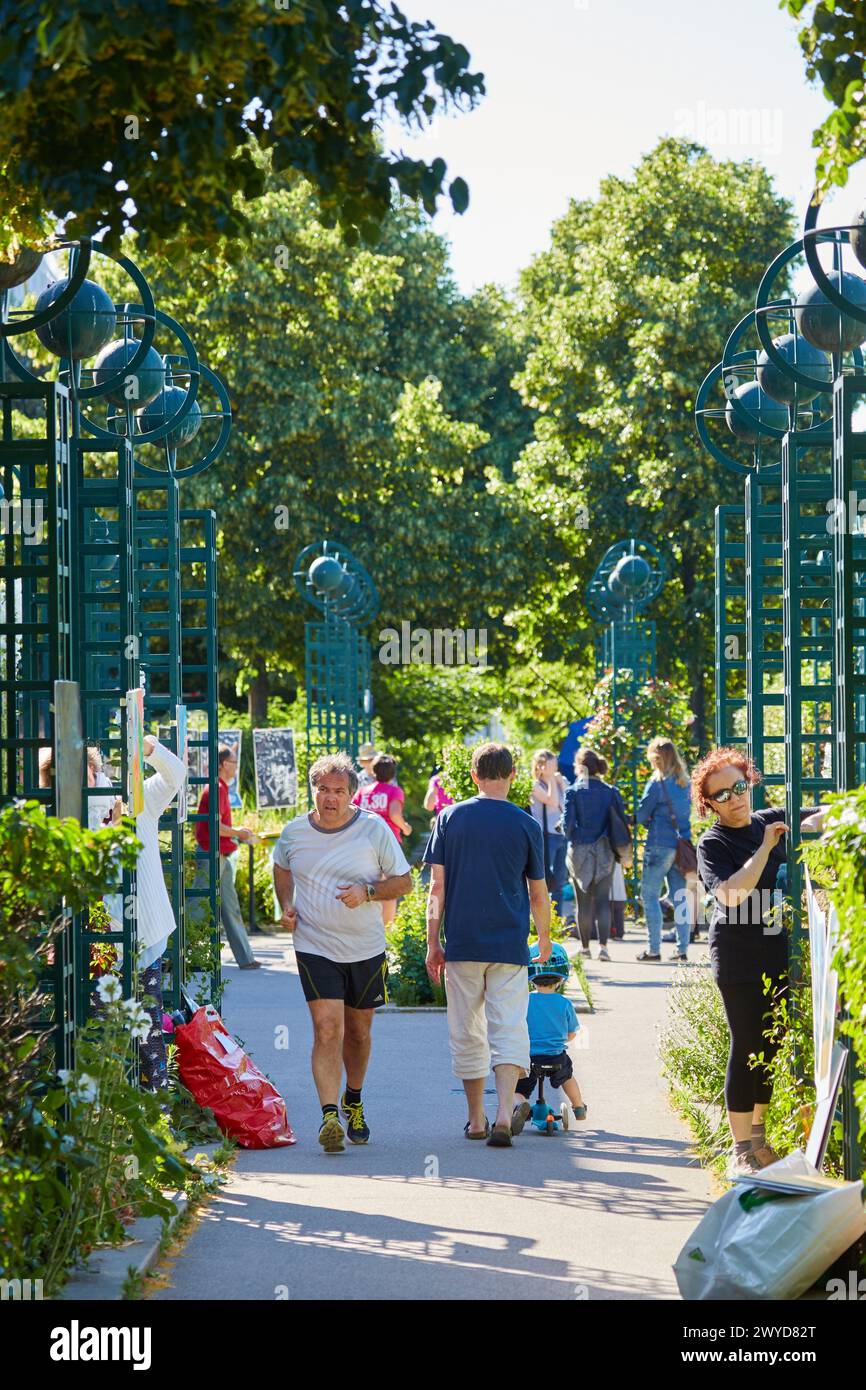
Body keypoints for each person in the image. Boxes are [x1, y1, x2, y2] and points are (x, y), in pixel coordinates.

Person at [694, 746, 826, 1178]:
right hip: (737, 952)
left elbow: (821, 817)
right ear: (709, 803)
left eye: (739, 786)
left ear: (749, 781)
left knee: (770, 1045)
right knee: (747, 1042)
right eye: (723, 794)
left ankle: (759, 1139)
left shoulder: (771, 818)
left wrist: (833, 819)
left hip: (775, 948)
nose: (735, 798)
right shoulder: (713, 842)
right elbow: (731, 894)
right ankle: (739, 1147)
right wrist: (768, 847)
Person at [273, 752, 412, 1153]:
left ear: (353, 794)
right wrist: (286, 905)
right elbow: (281, 866)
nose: (329, 798)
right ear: (313, 791)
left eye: (338, 791)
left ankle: (354, 1098)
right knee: (327, 1028)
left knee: (359, 1032)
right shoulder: (295, 832)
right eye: (322, 789)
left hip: (365, 946)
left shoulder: (372, 829)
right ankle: (329, 1115)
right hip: (314, 945)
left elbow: (403, 882)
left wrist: (368, 892)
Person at [424, 742, 552, 1148]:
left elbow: (436, 888)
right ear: (513, 775)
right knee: (508, 1028)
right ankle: (502, 1115)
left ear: (474, 776)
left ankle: (475, 1119)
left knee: (467, 1031)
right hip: (509, 947)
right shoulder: (526, 824)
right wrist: (544, 937)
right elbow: (537, 893)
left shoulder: (449, 818)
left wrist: (433, 942)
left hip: (461, 944)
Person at [195, 745, 262, 969]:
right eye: (234, 762)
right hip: (211, 852)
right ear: (224, 764)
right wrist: (239, 833)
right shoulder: (216, 788)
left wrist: (236, 833)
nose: (236, 767)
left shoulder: (219, 788)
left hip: (220, 853)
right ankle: (171, 954)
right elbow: (215, 825)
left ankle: (246, 958)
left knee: (229, 907)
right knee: (195, 905)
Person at [562, 748, 629, 963]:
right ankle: (603, 948)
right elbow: (621, 820)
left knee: (582, 904)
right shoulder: (611, 791)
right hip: (605, 851)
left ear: (580, 767)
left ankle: (584, 948)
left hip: (580, 852)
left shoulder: (573, 791)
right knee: (602, 901)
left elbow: (568, 826)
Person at [512, 943, 587, 1131]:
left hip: (528, 1057)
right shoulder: (564, 1004)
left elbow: (516, 1027)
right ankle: (578, 1106)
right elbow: (571, 1033)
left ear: (531, 978)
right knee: (567, 1076)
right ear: (561, 980)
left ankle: (521, 1105)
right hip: (555, 1057)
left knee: (515, 1089)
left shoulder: (525, 1000)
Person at [636, 736, 695, 963]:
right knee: (680, 897)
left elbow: (641, 815)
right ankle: (682, 950)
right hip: (681, 847)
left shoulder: (657, 784)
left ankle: (653, 949)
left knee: (649, 896)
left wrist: (648, 819)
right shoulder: (685, 783)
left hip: (659, 844)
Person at [352, 753, 411, 925]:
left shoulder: (362, 793)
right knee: (388, 888)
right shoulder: (394, 791)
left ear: (374, 772)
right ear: (393, 773)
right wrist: (406, 828)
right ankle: (386, 932)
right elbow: (394, 814)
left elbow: (353, 814)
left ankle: (366, 925)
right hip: (388, 843)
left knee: (366, 883)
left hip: (363, 843)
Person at [529, 748, 568, 920]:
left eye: (555, 765)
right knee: (543, 879)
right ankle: (542, 918)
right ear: (541, 766)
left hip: (561, 835)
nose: (555, 769)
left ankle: (557, 919)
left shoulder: (560, 780)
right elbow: (551, 800)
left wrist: (560, 782)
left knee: (560, 879)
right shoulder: (535, 786)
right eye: (551, 766)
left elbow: (569, 799)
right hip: (545, 836)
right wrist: (552, 780)